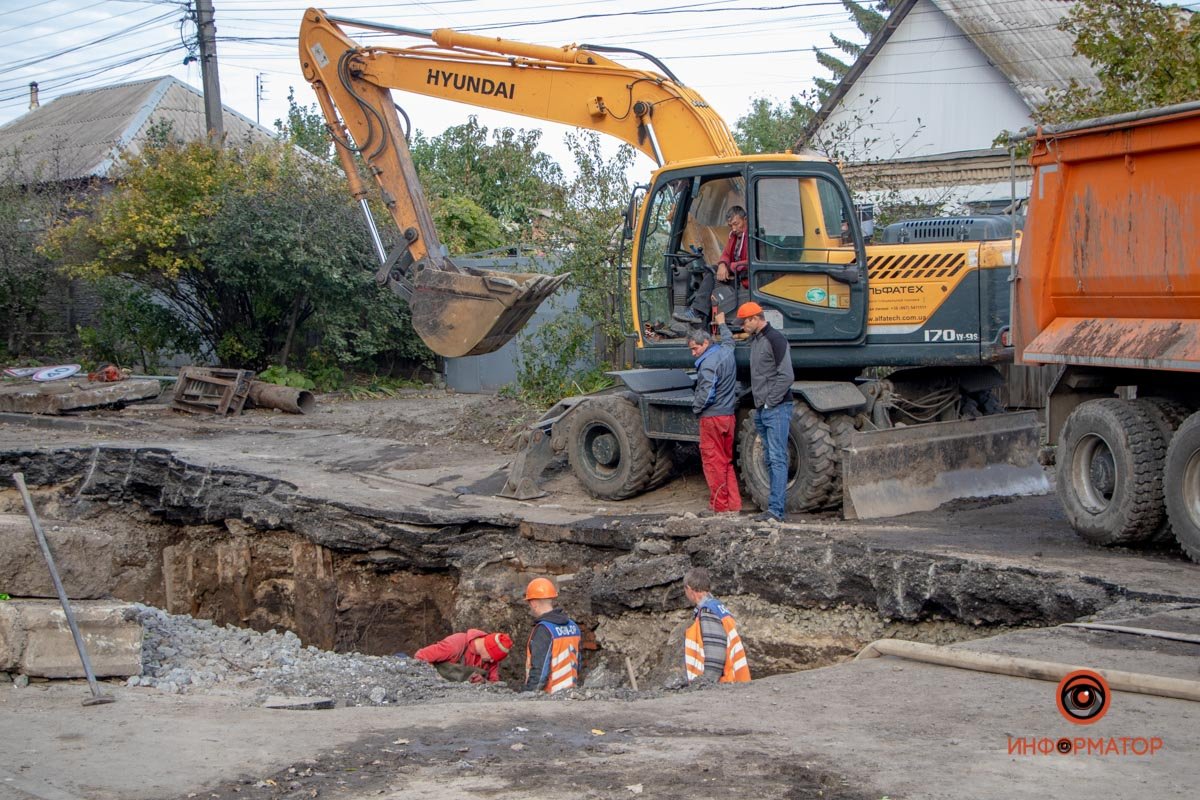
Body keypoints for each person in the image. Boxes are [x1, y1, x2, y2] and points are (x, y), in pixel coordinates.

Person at [736, 300, 794, 522]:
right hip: (763, 409)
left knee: (777, 458)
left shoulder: (775, 339)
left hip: (776, 408)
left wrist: (770, 402)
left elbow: (786, 375)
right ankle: (773, 508)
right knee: (771, 458)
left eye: (744, 322)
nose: (742, 327)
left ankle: (776, 511)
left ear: (754, 319)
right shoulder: (757, 340)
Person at [689, 311, 741, 513]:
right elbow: (730, 341)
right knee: (726, 462)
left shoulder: (708, 365)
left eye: (695, 349)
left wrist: (696, 408)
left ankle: (719, 508)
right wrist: (722, 324)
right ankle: (734, 506)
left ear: (706, 344)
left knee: (713, 464)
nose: (693, 353)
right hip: (728, 416)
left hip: (712, 418)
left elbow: (707, 393)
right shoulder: (726, 351)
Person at [675, 206, 750, 324]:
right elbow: (725, 254)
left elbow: (750, 262)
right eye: (731, 226)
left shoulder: (752, 237)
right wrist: (722, 265)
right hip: (736, 275)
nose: (734, 228)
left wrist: (730, 267)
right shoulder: (734, 237)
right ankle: (700, 314)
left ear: (745, 219)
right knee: (711, 270)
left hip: (747, 280)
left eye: (736, 224)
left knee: (711, 275)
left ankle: (697, 312)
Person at [682, 566, 750, 684]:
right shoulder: (718, 608)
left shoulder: (708, 611)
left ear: (689, 588)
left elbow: (715, 651)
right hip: (734, 680)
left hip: (724, 684)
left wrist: (707, 681)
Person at [521, 577, 581, 694]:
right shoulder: (573, 626)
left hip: (550, 698)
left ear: (533, 603)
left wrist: (528, 695)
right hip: (571, 694)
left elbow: (540, 671)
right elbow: (578, 662)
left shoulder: (544, 630)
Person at [414, 630, 513, 683]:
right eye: (492, 657)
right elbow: (420, 656)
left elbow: (495, 683)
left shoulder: (491, 661)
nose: (492, 661)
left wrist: (483, 682)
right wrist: (435, 679)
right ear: (487, 648)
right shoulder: (456, 645)